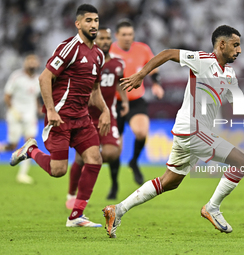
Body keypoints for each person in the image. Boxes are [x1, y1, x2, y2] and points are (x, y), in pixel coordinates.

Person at [102, 25, 244, 238]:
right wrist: (141, 74)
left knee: (169, 182)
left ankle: (117, 210)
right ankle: (212, 207)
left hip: (192, 133)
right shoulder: (203, 60)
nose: (239, 51)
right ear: (222, 44)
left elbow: (241, 106)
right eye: (235, 45)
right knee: (242, 162)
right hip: (192, 130)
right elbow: (167, 54)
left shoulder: (229, 74)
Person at [10, 4, 111, 227]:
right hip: (61, 117)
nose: (93, 24)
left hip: (82, 119)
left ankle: (76, 216)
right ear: (78, 24)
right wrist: (51, 110)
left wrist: (105, 111)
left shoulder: (98, 56)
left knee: (94, 159)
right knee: (58, 171)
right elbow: (44, 78)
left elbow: (95, 91)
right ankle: (31, 150)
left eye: (96, 20)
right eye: (88, 21)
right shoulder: (70, 47)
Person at [65, 27, 129, 209]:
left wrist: (124, 101)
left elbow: (120, 83)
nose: (106, 41)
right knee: (79, 159)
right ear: (95, 40)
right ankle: (71, 194)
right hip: (85, 116)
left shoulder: (118, 63)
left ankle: (91, 162)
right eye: (102, 38)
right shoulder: (86, 61)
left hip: (109, 115)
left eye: (108, 38)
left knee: (111, 153)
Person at [108, 19, 164, 188]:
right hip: (115, 102)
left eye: (130, 34)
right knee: (115, 149)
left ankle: (133, 162)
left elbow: (154, 66)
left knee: (141, 132)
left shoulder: (142, 49)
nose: (127, 37)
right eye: (124, 34)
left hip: (136, 100)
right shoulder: (109, 50)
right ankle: (114, 183)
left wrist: (156, 83)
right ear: (117, 35)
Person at [1, 54, 41, 184]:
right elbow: (7, 96)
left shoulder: (38, 80)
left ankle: (22, 174)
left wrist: (39, 109)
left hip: (30, 116)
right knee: (12, 145)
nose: (32, 63)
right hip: (16, 115)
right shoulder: (16, 76)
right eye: (30, 60)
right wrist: (13, 111)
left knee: (30, 144)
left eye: (34, 61)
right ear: (25, 63)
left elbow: (34, 97)